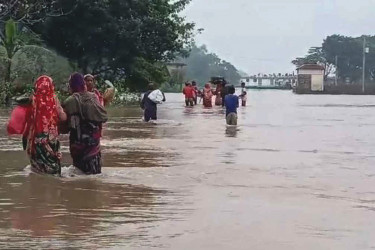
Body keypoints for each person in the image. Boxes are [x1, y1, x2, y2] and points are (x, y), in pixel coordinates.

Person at [62, 73, 108, 174]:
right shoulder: (93, 97)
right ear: (84, 84)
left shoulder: (69, 101)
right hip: (93, 142)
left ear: (71, 86)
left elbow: (64, 126)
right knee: (95, 171)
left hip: (77, 143)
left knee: (79, 171)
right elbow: (104, 117)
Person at [23, 76, 67, 175]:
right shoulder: (54, 99)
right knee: (52, 163)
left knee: (38, 168)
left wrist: (25, 136)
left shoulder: (33, 100)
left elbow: (28, 120)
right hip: (51, 139)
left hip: (36, 138)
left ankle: (38, 185)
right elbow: (63, 117)